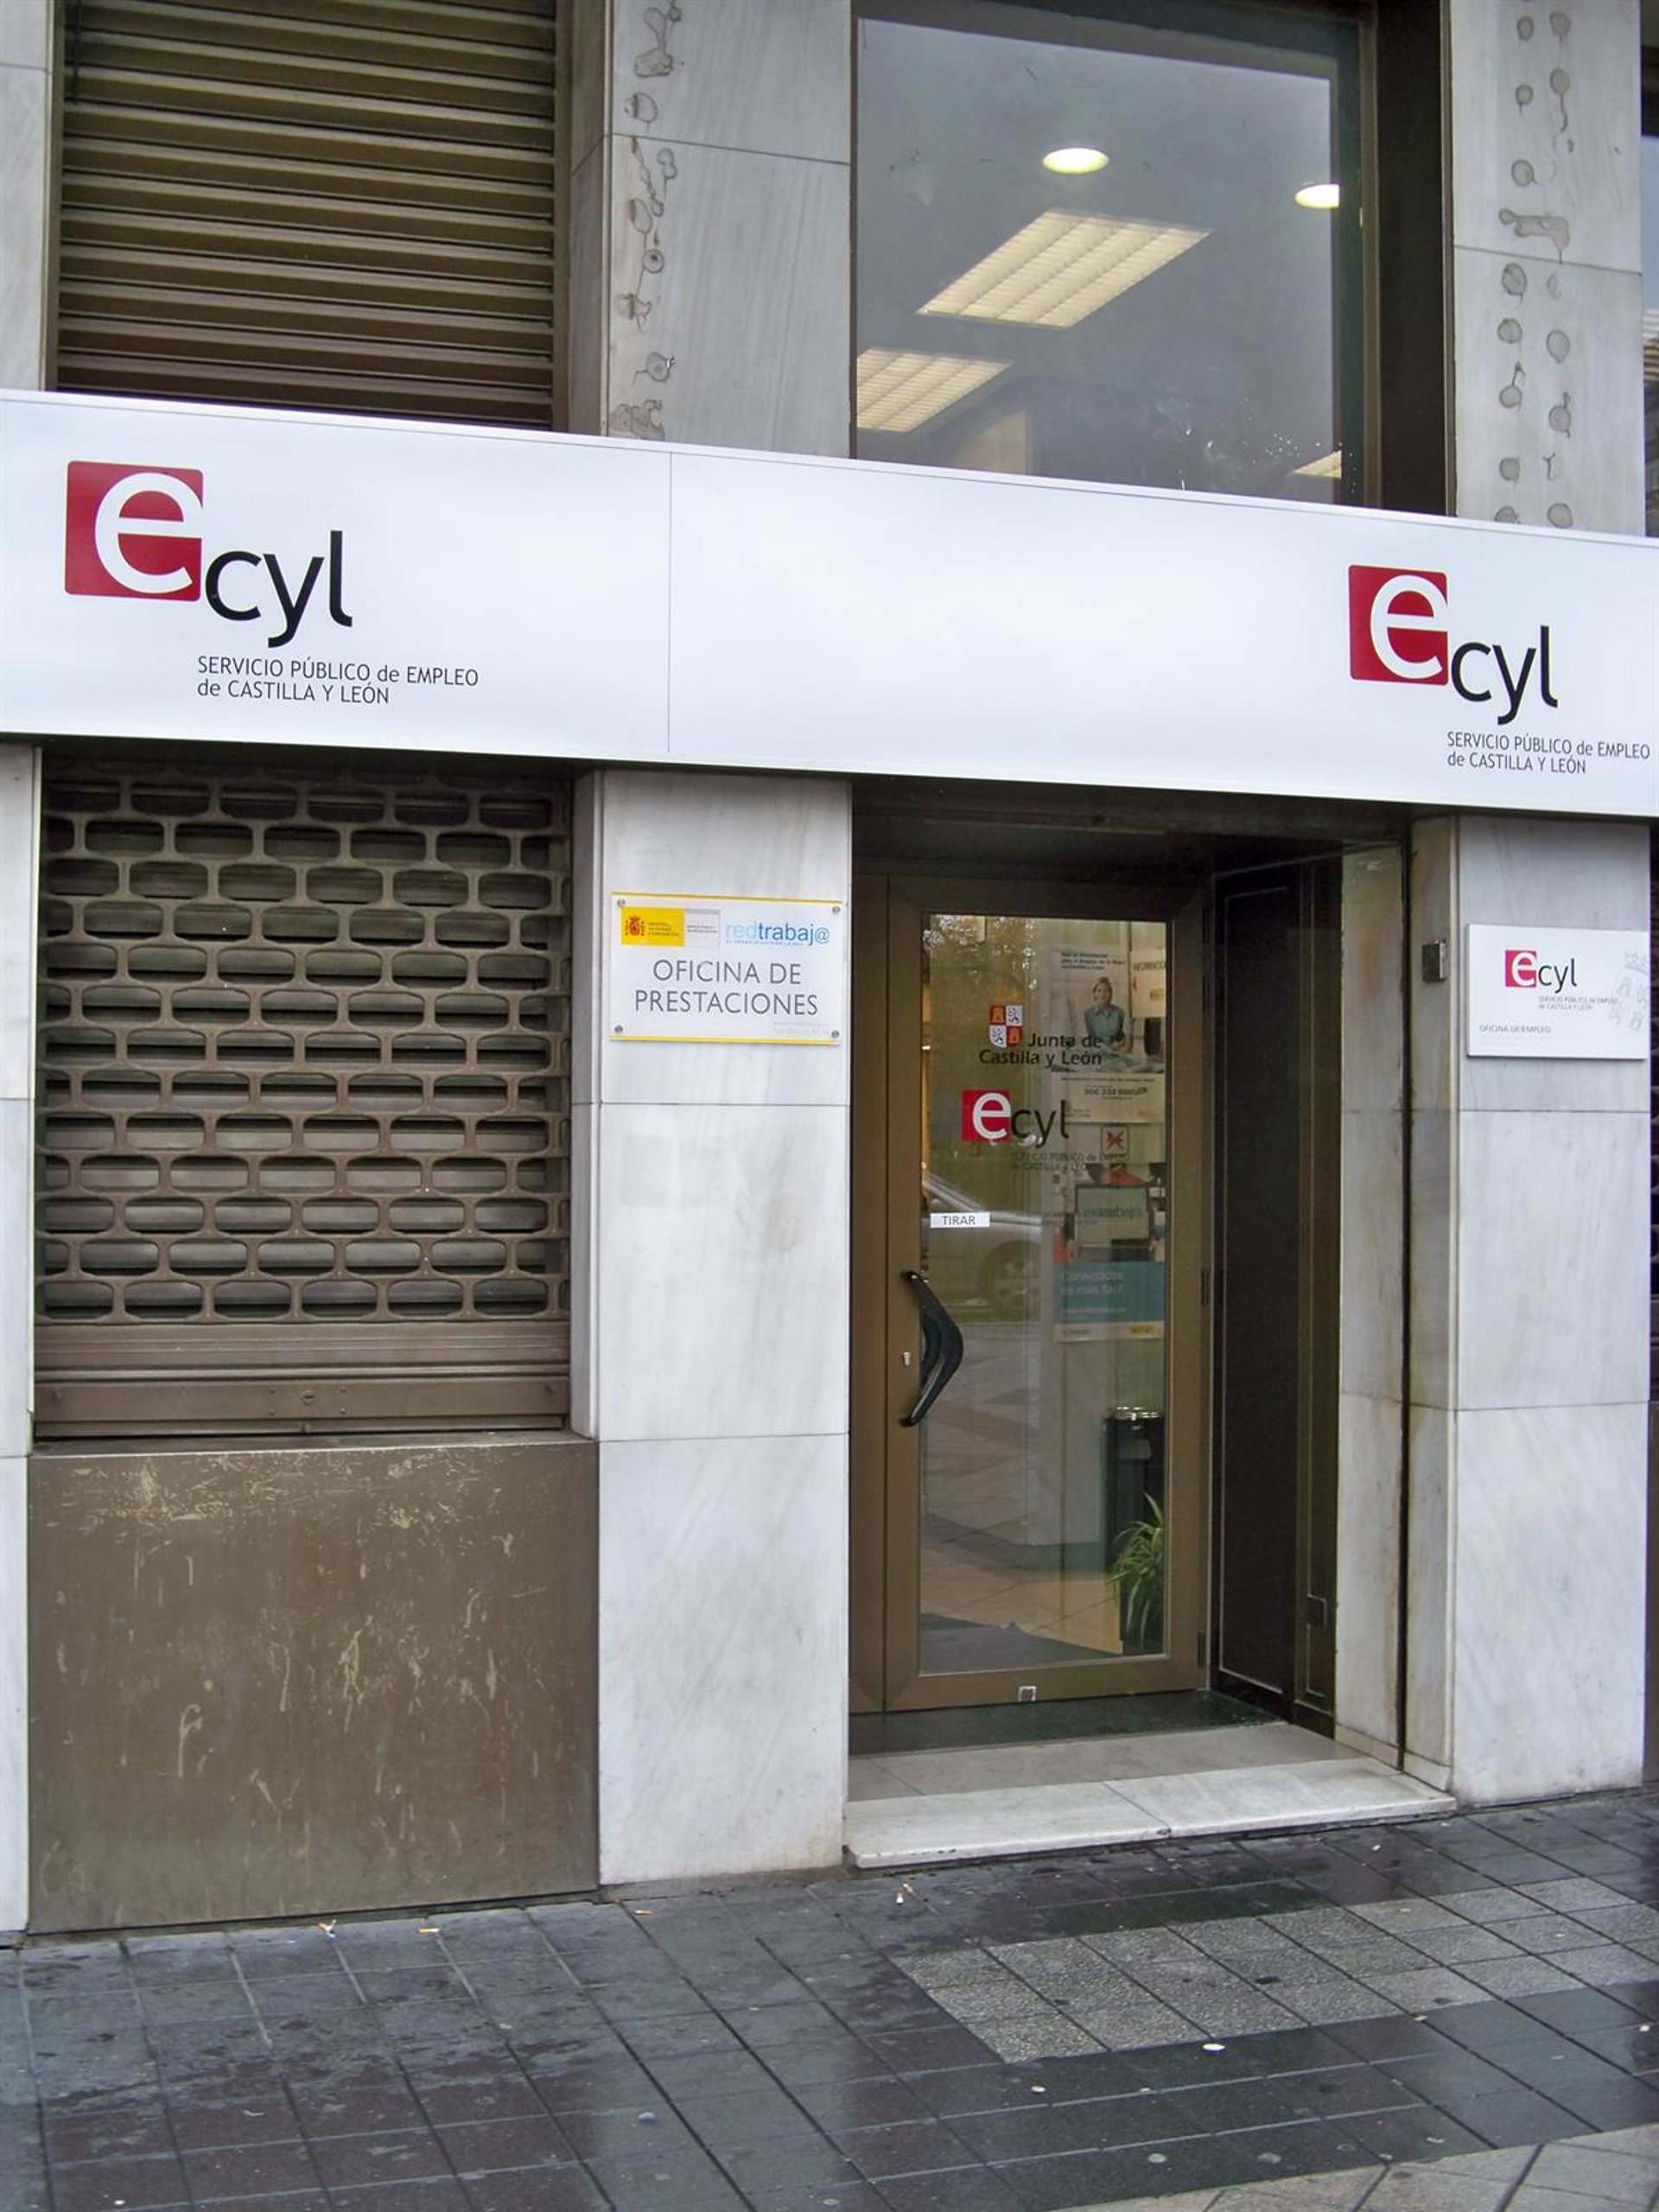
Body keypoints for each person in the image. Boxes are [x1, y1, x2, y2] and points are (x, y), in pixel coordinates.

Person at [1084, 974, 1128, 1051]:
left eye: (1106, 991)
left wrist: (1120, 1044)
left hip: (1117, 1052)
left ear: (1111, 994)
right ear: (1094, 994)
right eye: (1099, 991)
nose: (1102, 995)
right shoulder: (1088, 1014)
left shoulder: (1119, 1012)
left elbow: (1124, 1037)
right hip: (1098, 1053)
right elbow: (1090, 1039)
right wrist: (1107, 1049)